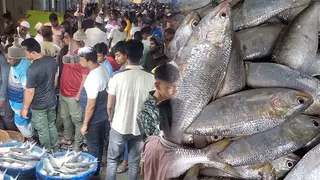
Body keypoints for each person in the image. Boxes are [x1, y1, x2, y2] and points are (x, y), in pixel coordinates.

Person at [106, 40, 154, 180]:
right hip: (140, 128)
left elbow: (110, 105)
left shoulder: (117, 76)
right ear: (141, 56)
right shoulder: (151, 78)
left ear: (126, 55)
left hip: (119, 125)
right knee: (134, 163)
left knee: (112, 160)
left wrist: (111, 118)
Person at [20, 38, 59, 152]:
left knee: (43, 130)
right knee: (51, 125)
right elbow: (55, 80)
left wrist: (25, 109)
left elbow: (30, 91)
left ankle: (47, 152)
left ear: (32, 52)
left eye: (25, 52)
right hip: (52, 101)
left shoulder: (32, 69)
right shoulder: (52, 60)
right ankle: (55, 149)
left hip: (39, 105)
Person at [79, 46, 110, 176]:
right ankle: (97, 165)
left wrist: (85, 124)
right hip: (103, 115)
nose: (80, 62)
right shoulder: (102, 67)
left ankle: (94, 173)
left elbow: (91, 105)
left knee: (93, 147)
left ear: (89, 61)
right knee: (99, 143)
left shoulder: (92, 78)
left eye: (81, 60)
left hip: (94, 119)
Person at [58, 28, 87, 151]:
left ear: (73, 39)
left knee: (77, 120)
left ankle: (78, 142)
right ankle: (68, 138)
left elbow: (85, 76)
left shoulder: (82, 55)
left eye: (65, 37)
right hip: (64, 92)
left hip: (74, 94)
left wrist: (79, 94)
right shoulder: (68, 53)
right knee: (65, 117)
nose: (64, 40)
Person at [138, 63, 179, 141]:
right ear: (157, 85)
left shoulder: (176, 102)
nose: (176, 90)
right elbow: (151, 142)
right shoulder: (146, 112)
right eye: (170, 87)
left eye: (177, 86)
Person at [4, 42, 35, 142]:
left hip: (20, 102)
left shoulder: (23, 70)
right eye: (6, 58)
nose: (8, 61)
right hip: (15, 100)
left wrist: (24, 108)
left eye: (10, 58)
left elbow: (28, 90)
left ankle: (31, 141)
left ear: (16, 57)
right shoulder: (17, 63)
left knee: (20, 122)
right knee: (25, 121)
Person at [0, 45, 16, 131]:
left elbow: (5, 79)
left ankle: (16, 137)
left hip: (3, 96)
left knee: (7, 118)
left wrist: (1, 98)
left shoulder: (2, 60)